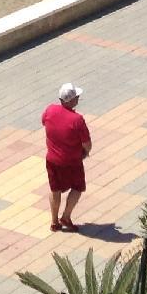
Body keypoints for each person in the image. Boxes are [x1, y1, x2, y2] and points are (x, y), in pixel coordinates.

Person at [42, 83, 90, 232]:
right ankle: (66, 216)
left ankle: (54, 221)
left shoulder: (49, 110)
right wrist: (84, 154)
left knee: (55, 189)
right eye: (77, 97)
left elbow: (44, 122)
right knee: (78, 187)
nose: (78, 98)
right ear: (71, 100)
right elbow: (87, 144)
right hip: (72, 162)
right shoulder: (77, 120)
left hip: (52, 160)